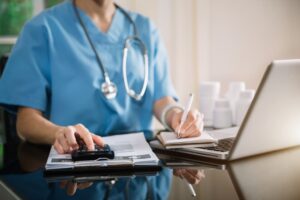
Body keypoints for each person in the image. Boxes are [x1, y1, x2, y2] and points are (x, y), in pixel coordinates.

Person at [0, 0, 203, 154]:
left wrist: (177, 116)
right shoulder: (42, 29)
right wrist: (58, 133)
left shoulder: (144, 28)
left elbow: (161, 99)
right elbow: (26, 122)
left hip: (137, 167)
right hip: (75, 159)